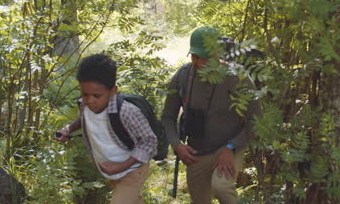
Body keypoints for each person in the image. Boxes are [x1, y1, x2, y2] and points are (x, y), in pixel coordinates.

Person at [161, 27, 262, 204]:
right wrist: (177, 145)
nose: (199, 62)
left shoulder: (236, 76)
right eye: (195, 56)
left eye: (205, 57)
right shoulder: (183, 76)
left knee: (221, 186)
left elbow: (257, 119)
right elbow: (168, 116)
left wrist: (231, 147)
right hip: (197, 151)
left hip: (230, 147)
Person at [55, 54, 157, 204]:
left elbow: (149, 142)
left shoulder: (127, 112)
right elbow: (84, 119)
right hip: (111, 170)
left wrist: (122, 166)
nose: (90, 100)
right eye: (85, 94)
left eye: (97, 95)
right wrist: (67, 129)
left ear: (113, 90)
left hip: (133, 168)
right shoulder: (84, 105)